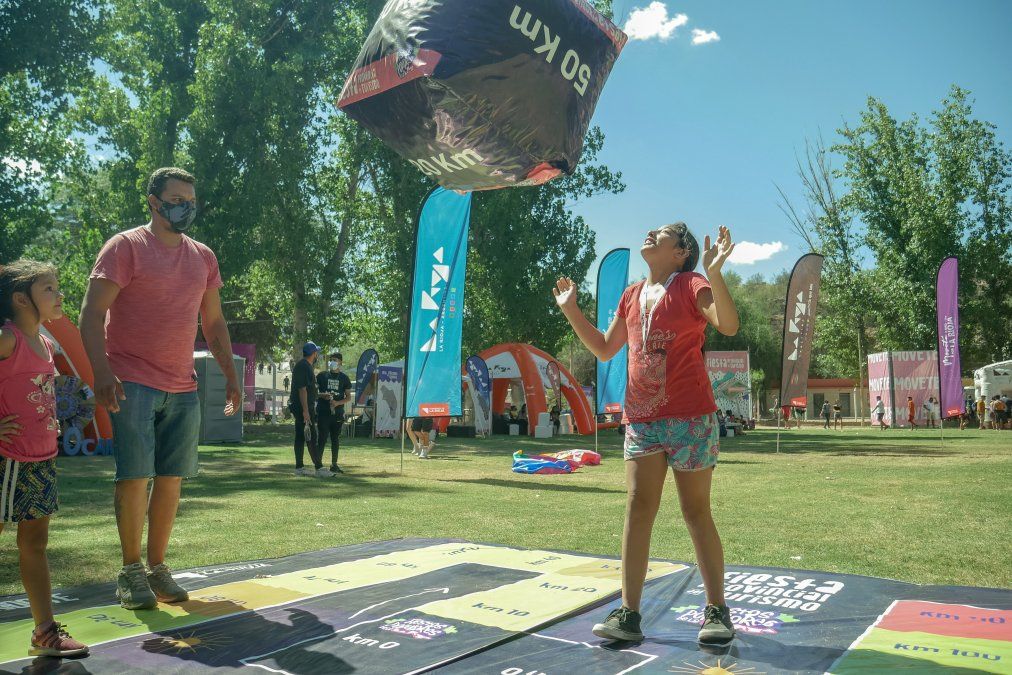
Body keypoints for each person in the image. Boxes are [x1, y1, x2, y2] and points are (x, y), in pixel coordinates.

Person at [554, 222, 739, 646]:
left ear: (681, 252)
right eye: (653, 230)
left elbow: (727, 324)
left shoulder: (693, 283)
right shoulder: (632, 294)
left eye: (665, 232)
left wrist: (716, 273)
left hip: (690, 417)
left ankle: (716, 611)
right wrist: (570, 309)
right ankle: (628, 614)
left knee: (696, 513)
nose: (653, 233)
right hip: (641, 419)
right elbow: (603, 348)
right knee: (638, 509)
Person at [81, 167, 241, 611]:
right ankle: (130, 571)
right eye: (176, 199)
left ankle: (156, 568)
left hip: (182, 386)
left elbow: (213, 322)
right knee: (134, 477)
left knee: (171, 480)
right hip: (131, 381)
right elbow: (91, 314)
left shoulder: (203, 258)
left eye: (190, 200)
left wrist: (231, 375)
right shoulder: (125, 247)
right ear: (153, 202)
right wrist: (101, 373)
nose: (185, 207)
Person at [0, 261, 90, 657]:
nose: (60, 295)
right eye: (49, 288)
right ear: (21, 298)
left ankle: (45, 632)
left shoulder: (46, 341)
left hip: (42, 460)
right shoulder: (7, 338)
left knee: (34, 543)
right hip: (9, 460)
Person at [289, 342, 331, 477]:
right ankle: (319, 468)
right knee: (312, 436)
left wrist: (319, 395)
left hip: (304, 406)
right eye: (316, 352)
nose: (317, 354)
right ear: (314, 353)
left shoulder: (306, 366)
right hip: (303, 408)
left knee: (301, 436)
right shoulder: (303, 366)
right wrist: (306, 411)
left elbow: (308, 390)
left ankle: (299, 468)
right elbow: (302, 390)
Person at [317, 352, 352, 474]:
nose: (332, 362)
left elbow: (348, 397)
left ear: (341, 362)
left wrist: (337, 403)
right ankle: (318, 465)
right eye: (331, 360)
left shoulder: (344, 378)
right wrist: (323, 395)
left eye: (335, 360)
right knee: (322, 438)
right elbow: (314, 392)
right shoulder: (322, 376)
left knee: (335, 439)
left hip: (337, 414)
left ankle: (334, 464)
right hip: (323, 412)